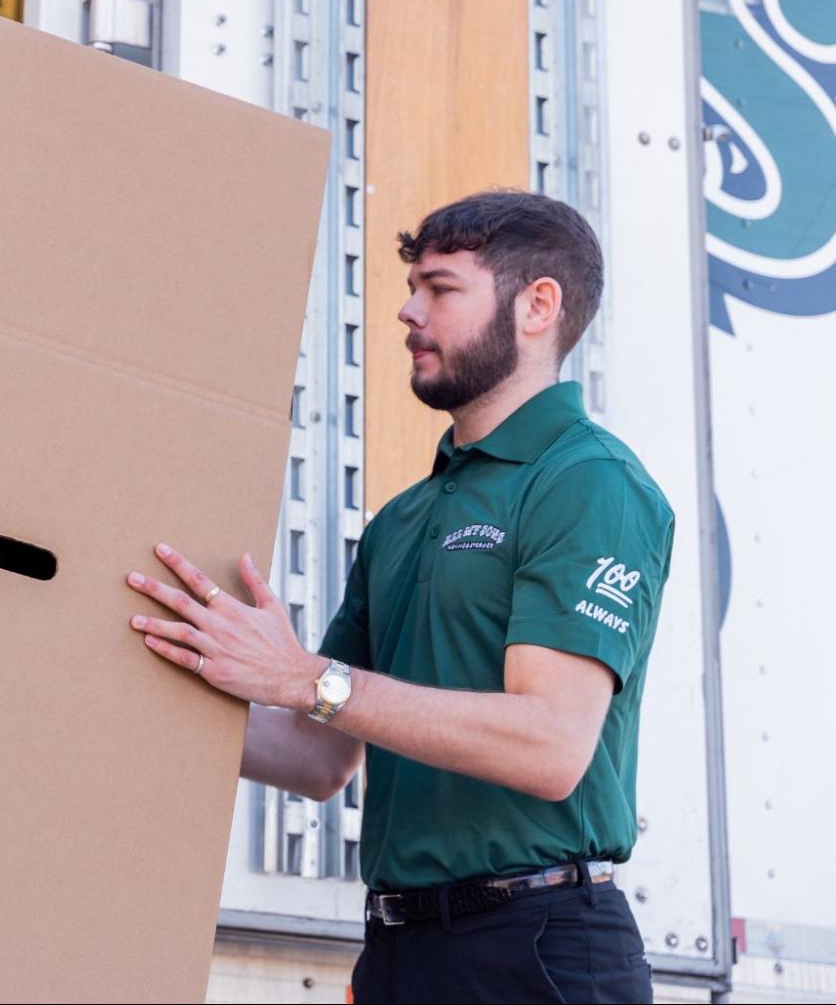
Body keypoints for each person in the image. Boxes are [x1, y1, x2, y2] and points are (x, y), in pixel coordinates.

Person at [127, 190, 667, 1004]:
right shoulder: (402, 520)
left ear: (537, 305)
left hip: (536, 951)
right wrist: (139, 682)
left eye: (440, 288)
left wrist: (308, 678)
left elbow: (550, 746)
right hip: (397, 952)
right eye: (411, 285)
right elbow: (319, 758)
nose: (408, 311)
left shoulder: (587, 481)